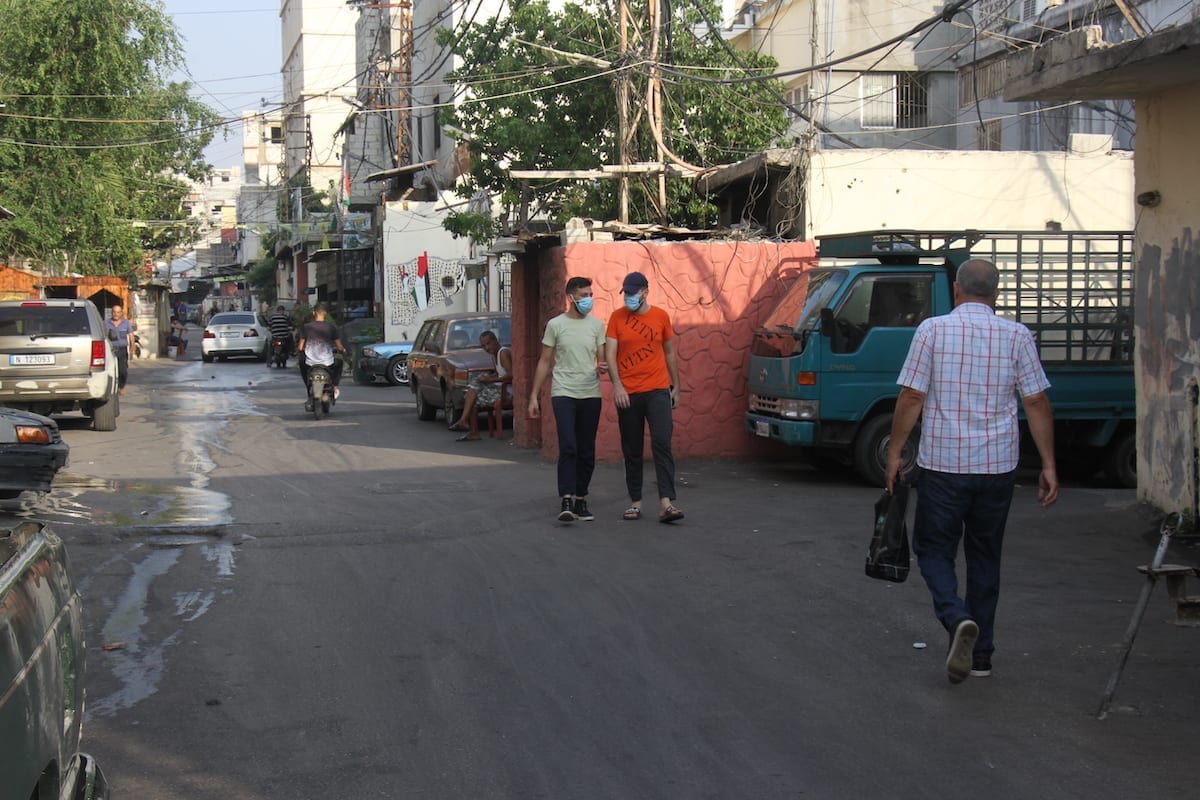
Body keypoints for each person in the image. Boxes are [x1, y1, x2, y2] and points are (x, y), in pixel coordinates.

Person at [885, 258, 1059, 685]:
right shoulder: (1018, 336)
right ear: (996, 295)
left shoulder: (932, 330)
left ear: (957, 291)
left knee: (933, 551)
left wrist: (894, 452)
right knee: (985, 556)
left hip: (943, 465)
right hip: (997, 468)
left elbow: (911, 396)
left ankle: (957, 616)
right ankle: (980, 657)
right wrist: (1050, 464)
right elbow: (1035, 402)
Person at [605, 271, 684, 524]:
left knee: (662, 443)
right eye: (626, 293)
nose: (628, 297)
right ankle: (635, 503)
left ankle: (666, 504)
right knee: (632, 448)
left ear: (645, 292)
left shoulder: (661, 316)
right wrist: (617, 386)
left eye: (632, 292)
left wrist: (677, 387)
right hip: (628, 393)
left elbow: (670, 352)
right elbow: (610, 354)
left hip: (658, 390)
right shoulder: (617, 318)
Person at [529, 276, 608, 523]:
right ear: (571, 297)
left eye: (590, 294)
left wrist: (602, 366)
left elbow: (601, 358)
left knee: (586, 449)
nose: (588, 299)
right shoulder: (556, 325)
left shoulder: (597, 326)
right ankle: (566, 497)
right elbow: (544, 361)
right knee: (569, 446)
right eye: (584, 295)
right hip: (563, 392)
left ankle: (581, 499)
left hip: (590, 393)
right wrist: (534, 396)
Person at [449, 330, 512, 442]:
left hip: (508, 391)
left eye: (488, 344)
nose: (487, 348)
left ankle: (467, 424)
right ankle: (468, 426)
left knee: (473, 395)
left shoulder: (503, 353)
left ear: (495, 341)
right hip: (498, 388)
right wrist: (489, 377)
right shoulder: (494, 355)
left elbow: (511, 375)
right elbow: (499, 373)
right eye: (484, 346)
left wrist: (491, 379)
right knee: (473, 388)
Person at [297, 302, 346, 411]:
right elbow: (339, 347)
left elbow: (300, 348)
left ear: (314, 313)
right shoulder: (331, 328)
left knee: (301, 363)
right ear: (326, 314)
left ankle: (308, 387)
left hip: (310, 363)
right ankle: (334, 386)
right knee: (339, 361)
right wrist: (343, 350)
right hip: (327, 362)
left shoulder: (306, 327)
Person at [105, 304, 134, 394]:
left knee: (123, 370)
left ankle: (122, 386)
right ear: (111, 313)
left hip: (122, 349)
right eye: (114, 312)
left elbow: (131, 335)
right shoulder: (106, 323)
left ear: (121, 313)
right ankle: (113, 387)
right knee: (111, 370)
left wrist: (132, 348)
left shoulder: (126, 323)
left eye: (118, 312)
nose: (116, 314)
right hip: (111, 350)